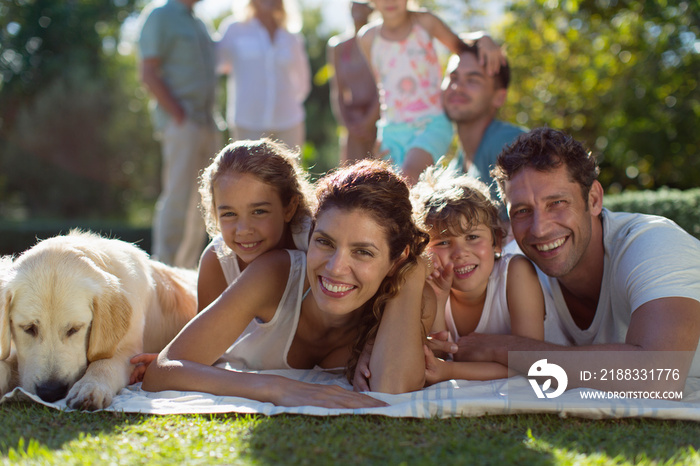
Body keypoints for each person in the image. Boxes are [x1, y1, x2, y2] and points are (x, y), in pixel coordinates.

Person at [141, 160, 436, 408]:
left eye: (363, 252)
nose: (335, 268)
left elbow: (393, 390)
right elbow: (162, 372)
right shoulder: (274, 274)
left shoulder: (407, 296)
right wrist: (276, 388)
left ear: (397, 258)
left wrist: (413, 269)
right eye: (324, 242)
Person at [439, 127, 700, 392]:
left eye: (557, 203)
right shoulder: (516, 271)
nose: (539, 229)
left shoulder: (655, 245)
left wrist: (506, 349)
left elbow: (660, 375)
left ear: (594, 199)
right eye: (522, 211)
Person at [130, 138, 315, 383]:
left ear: (289, 207)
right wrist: (172, 359)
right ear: (214, 213)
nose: (243, 229)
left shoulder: (312, 244)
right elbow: (203, 348)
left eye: (259, 211)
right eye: (229, 214)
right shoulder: (217, 260)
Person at [411, 167, 545, 385]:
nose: (460, 253)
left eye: (472, 237)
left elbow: (530, 363)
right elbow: (436, 360)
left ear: (497, 240)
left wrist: (451, 371)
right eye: (444, 242)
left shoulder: (515, 273)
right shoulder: (429, 284)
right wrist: (438, 297)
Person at [356, 0, 504, 184]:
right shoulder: (368, 37)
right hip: (392, 129)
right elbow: (383, 87)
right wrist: (380, 133)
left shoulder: (425, 22)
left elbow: (460, 45)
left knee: (408, 177)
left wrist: (483, 38)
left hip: (430, 122)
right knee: (388, 192)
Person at [137, 0, 220, 268]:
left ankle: (185, 277)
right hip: (182, 124)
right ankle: (163, 272)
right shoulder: (160, 15)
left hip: (208, 124)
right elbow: (148, 72)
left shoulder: (199, 23)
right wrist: (178, 115)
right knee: (177, 197)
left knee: (204, 205)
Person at [217, 0, 311, 151]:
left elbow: (303, 82)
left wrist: (287, 104)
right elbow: (219, 65)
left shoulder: (291, 36)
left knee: (287, 173)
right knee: (246, 172)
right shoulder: (233, 29)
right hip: (247, 122)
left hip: (289, 123)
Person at [442, 41, 526, 203]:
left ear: (499, 97)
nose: (457, 87)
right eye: (453, 77)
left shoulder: (512, 146)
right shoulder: (452, 171)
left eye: (473, 80)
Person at [327, 1, 379, 163]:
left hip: (379, 121)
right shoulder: (338, 46)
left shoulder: (379, 41)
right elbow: (337, 90)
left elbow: (384, 84)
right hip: (353, 121)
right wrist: (349, 125)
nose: (359, 7)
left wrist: (370, 120)